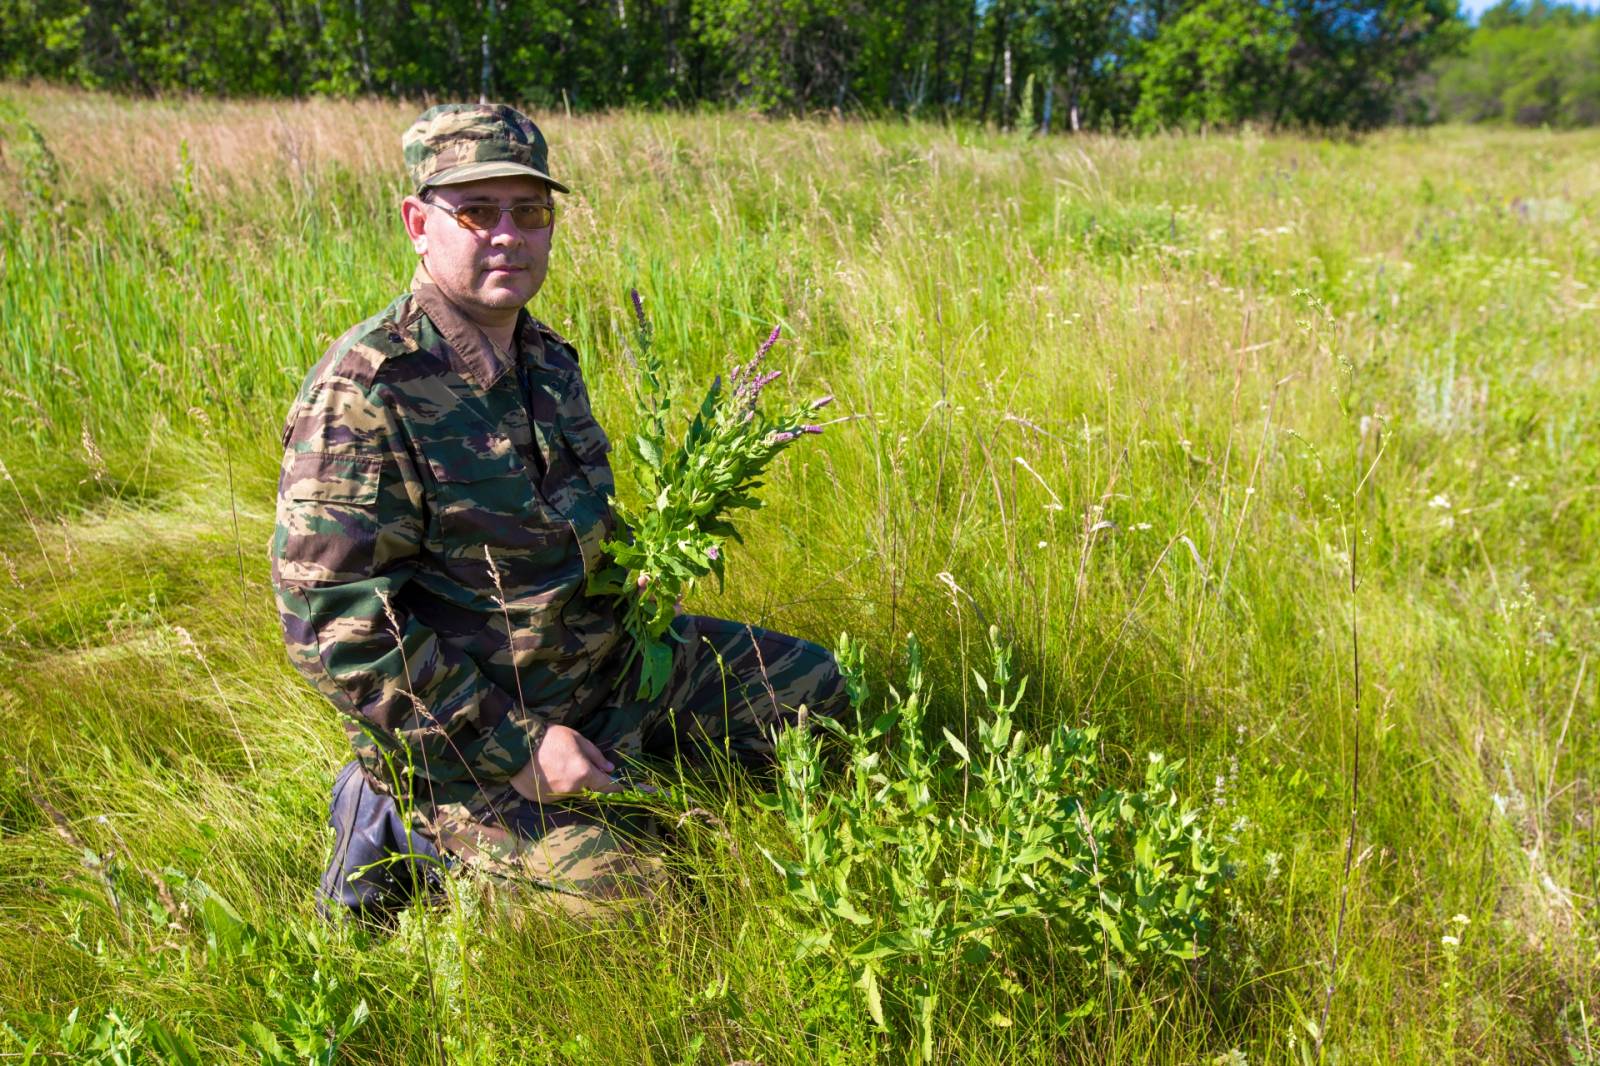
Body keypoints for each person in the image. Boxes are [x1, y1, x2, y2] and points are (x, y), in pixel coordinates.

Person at [270, 103, 846, 921]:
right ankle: (396, 813)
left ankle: (627, 781)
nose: (508, 233)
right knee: (639, 905)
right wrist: (519, 746)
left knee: (820, 694)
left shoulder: (545, 359)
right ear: (418, 223)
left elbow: (574, 532)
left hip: (602, 679)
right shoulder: (370, 391)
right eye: (476, 209)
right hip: (471, 736)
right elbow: (334, 626)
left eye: (530, 210)